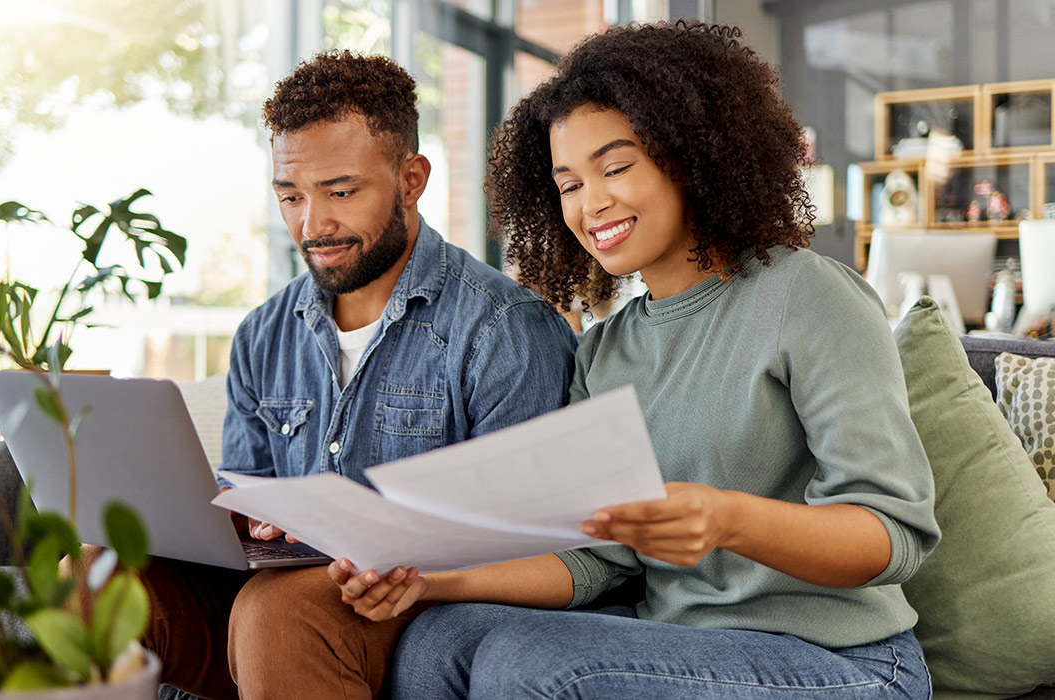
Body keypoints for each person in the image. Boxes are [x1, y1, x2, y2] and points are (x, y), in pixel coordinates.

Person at [328, 21, 941, 699]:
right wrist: (430, 580)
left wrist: (730, 519)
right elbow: (601, 559)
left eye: (616, 167)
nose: (592, 204)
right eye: (567, 184)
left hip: (844, 661)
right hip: (680, 645)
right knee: (433, 640)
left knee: (528, 667)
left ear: (692, 154)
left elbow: (894, 533)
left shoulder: (807, 294)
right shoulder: (605, 350)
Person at [103, 51, 578, 700]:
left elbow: (531, 543)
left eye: (341, 192)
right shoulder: (265, 333)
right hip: (280, 599)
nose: (312, 224)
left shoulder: (505, 330)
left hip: (417, 608)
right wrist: (237, 518)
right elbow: (254, 494)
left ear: (411, 180)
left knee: (278, 611)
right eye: (290, 197)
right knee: (98, 573)